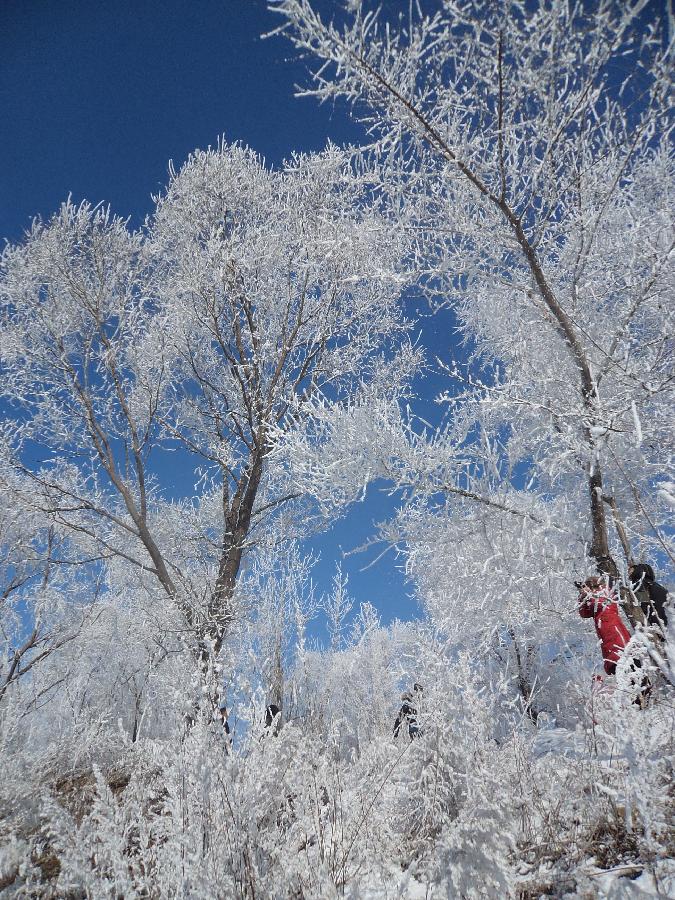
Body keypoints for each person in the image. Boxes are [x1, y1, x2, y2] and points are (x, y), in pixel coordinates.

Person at [577, 576, 631, 676]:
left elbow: (600, 602)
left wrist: (588, 594)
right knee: (618, 669)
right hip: (606, 635)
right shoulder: (592, 596)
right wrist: (582, 596)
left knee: (625, 661)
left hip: (614, 630)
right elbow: (584, 613)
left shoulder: (605, 591)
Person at [629, 563, 669, 631]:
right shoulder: (659, 587)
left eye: (631, 570)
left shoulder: (640, 584)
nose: (629, 573)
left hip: (652, 625)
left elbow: (643, 603)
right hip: (664, 627)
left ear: (638, 570)